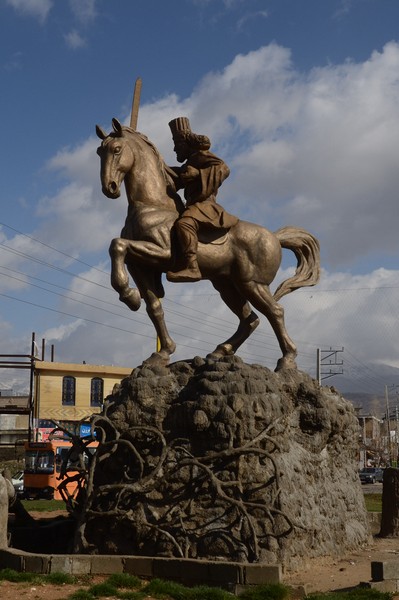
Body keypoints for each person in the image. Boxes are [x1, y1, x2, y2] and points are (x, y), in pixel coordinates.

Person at [166, 117, 239, 282]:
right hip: (193, 205)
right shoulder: (189, 163)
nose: (175, 149)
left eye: (177, 145)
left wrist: (198, 174)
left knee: (184, 223)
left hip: (205, 205)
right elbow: (177, 176)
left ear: (185, 144)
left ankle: (192, 267)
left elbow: (224, 169)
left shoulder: (201, 156)